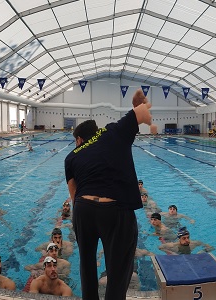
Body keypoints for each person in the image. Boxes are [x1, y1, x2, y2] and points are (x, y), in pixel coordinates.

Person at [64, 88, 156, 299]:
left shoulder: (71, 156)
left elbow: (74, 196)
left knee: (87, 264)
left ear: (79, 140)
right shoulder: (113, 131)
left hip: (84, 210)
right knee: (119, 269)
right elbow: (144, 113)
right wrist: (138, 105)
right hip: (114, 210)